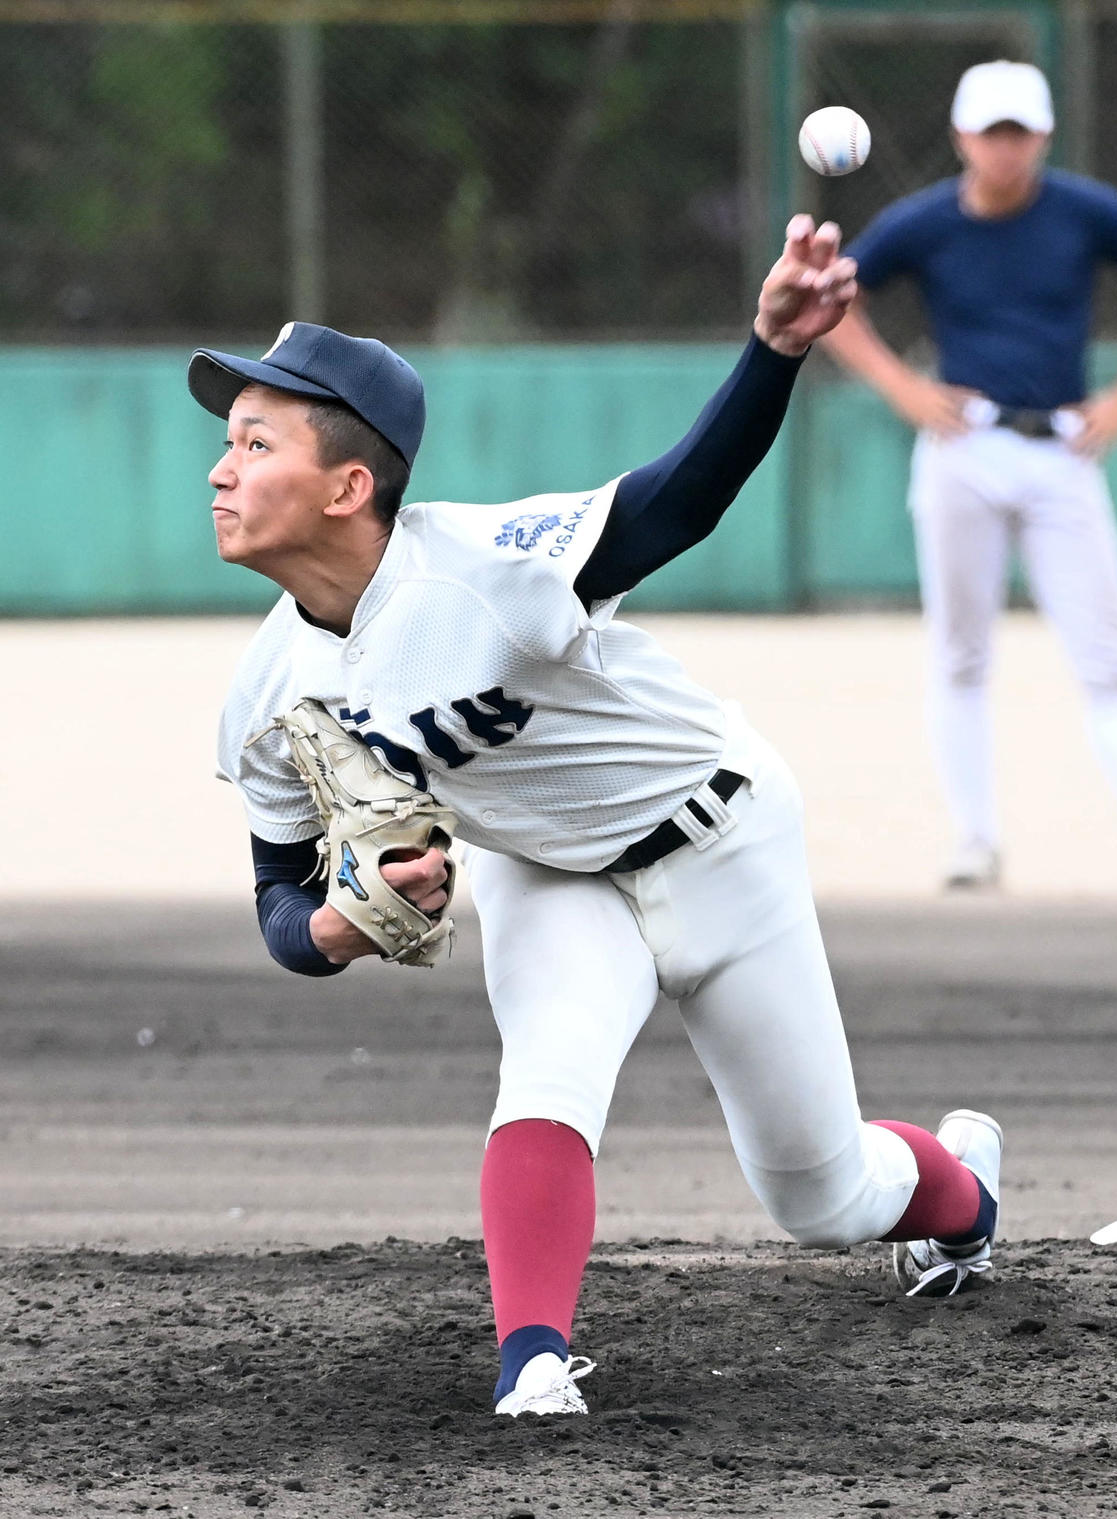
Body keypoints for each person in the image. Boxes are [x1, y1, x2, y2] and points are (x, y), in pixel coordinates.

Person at [190, 217, 1003, 1419]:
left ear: (349, 485)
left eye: (256, 443)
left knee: (819, 1196)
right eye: (225, 442)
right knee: (546, 1076)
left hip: (721, 835)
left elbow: (679, 503)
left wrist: (772, 348)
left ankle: (967, 1196)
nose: (220, 468)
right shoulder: (263, 698)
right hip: (546, 873)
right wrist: (334, 931)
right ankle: (532, 1363)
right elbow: (278, 893)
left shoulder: (480, 565)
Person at [823, 60, 1117, 892]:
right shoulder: (924, 223)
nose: (1005, 148)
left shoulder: (1087, 211)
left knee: (1107, 653)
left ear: (1042, 134)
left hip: (1061, 452)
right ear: (962, 137)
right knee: (961, 652)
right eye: (990, 131)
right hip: (963, 448)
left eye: (1019, 131)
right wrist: (904, 388)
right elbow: (832, 301)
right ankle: (974, 842)